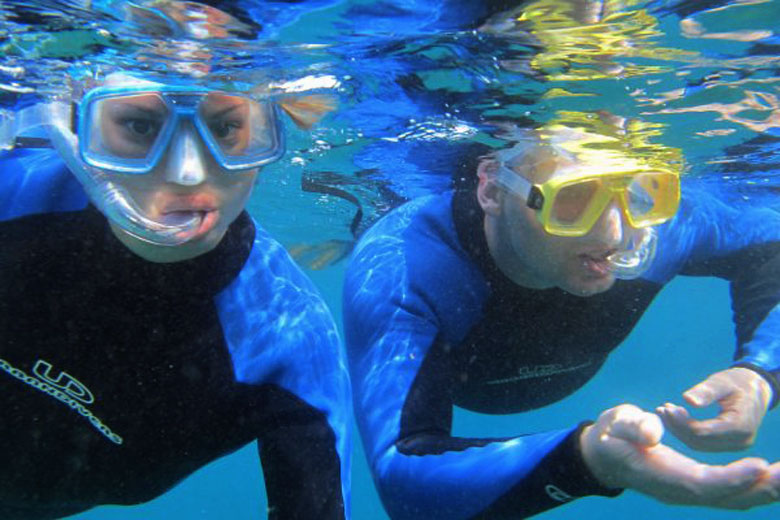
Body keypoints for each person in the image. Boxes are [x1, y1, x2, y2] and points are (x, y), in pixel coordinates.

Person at [342, 113, 780, 519]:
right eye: (572, 197)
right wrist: (588, 460)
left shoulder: (656, 233)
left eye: (638, 193)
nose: (614, 234)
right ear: (493, 190)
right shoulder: (405, 267)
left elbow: (769, 239)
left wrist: (761, 373)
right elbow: (402, 476)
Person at [0, 65, 351, 519]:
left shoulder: (289, 341)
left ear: (265, 147)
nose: (187, 173)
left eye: (226, 128)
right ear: (74, 130)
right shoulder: (13, 196)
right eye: (140, 126)